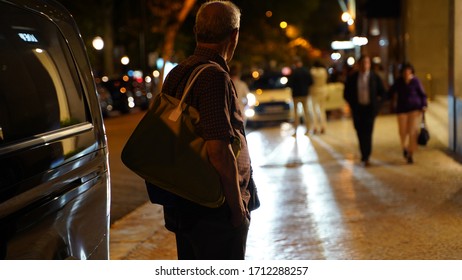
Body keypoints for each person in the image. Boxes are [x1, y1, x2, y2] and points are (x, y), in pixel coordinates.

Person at [150, 1, 254, 260]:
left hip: (183, 202)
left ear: (197, 31)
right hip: (213, 208)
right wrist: (236, 208)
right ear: (234, 36)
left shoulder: (177, 73)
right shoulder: (214, 77)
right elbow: (218, 150)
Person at [343, 55, 386, 167]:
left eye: (367, 63)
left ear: (369, 64)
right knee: (359, 131)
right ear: (359, 64)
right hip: (358, 109)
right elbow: (346, 94)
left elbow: (383, 93)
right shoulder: (353, 78)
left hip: (370, 109)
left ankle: (366, 155)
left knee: (368, 132)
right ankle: (363, 153)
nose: (365, 65)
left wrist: (377, 106)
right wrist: (353, 104)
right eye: (362, 63)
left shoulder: (374, 77)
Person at [388, 62, 427, 164]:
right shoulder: (399, 82)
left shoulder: (415, 81)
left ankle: (410, 153)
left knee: (413, 131)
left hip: (415, 110)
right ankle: (404, 147)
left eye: (408, 70)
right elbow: (390, 92)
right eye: (405, 70)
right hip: (402, 110)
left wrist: (424, 104)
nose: (406, 72)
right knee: (403, 131)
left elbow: (422, 94)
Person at [289, 57, 313, 136]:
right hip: (304, 94)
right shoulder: (306, 71)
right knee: (306, 112)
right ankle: (308, 129)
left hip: (296, 95)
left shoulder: (294, 72)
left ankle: (296, 131)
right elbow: (311, 82)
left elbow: (290, 84)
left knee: (295, 114)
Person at [309, 60, 328, 134]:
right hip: (323, 91)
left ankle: (315, 127)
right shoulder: (324, 71)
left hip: (314, 92)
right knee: (322, 110)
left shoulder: (312, 72)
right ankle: (323, 126)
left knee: (313, 110)